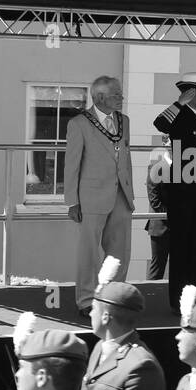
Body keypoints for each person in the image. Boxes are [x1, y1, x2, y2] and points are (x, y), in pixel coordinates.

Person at [65, 76, 134, 319]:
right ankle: (86, 299)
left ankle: (113, 298)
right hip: (90, 196)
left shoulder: (124, 121)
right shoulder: (79, 123)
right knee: (89, 252)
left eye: (120, 94)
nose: (121, 98)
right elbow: (71, 165)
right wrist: (72, 201)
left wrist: (131, 194)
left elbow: (126, 160)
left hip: (121, 196)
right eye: (116, 94)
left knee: (120, 251)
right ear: (100, 97)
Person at [154, 73, 196, 308]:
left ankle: (194, 295)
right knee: (180, 245)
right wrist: (179, 102)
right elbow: (159, 123)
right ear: (188, 93)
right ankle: (178, 299)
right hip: (181, 190)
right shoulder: (177, 115)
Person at [145, 134, 172, 282]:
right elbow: (154, 199)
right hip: (160, 226)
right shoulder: (156, 166)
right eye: (169, 140)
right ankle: (151, 299)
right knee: (157, 267)